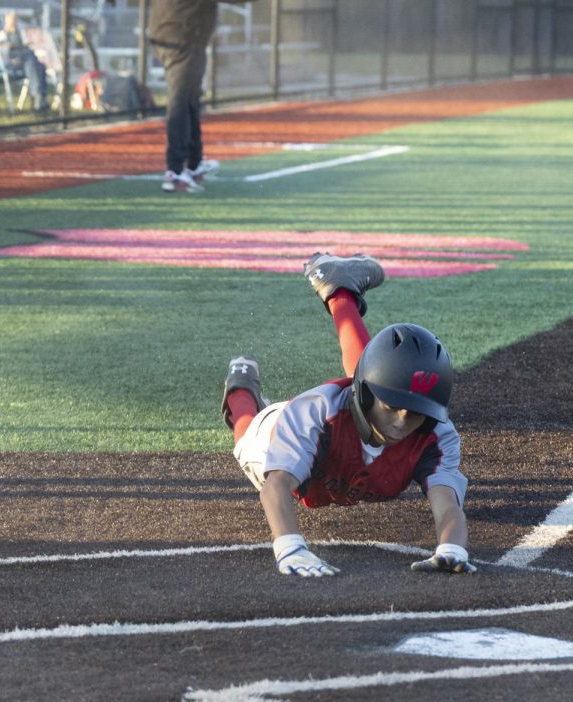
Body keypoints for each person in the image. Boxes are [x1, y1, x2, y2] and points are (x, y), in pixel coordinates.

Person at [220, 253, 476, 577]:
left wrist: (452, 548)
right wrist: (290, 547)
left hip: (352, 406)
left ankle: (339, 289)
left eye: (414, 414)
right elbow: (276, 486)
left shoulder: (436, 435)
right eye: (391, 407)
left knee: (373, 374)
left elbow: (448, 504)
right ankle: (241, 387)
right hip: (278, 428)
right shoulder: (315, 414)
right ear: (366, 397)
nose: (400, 421)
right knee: (244, 437)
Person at [147, 0, 220, 193]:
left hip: (174, 32)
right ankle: (175, 170)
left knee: (189, 99)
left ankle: (194, 164)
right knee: (180, 100)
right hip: (182, 35)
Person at [0, 11, 49, 113]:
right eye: (12, 20)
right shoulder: (2, 34)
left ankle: (39, 99)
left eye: (15, 20)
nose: (14, 22)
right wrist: (6, 46)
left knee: (39, 65)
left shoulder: (20, 33)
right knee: (32, 61)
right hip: (9, 64)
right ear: (6, 21)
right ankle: (39, 100)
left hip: (22, 63)